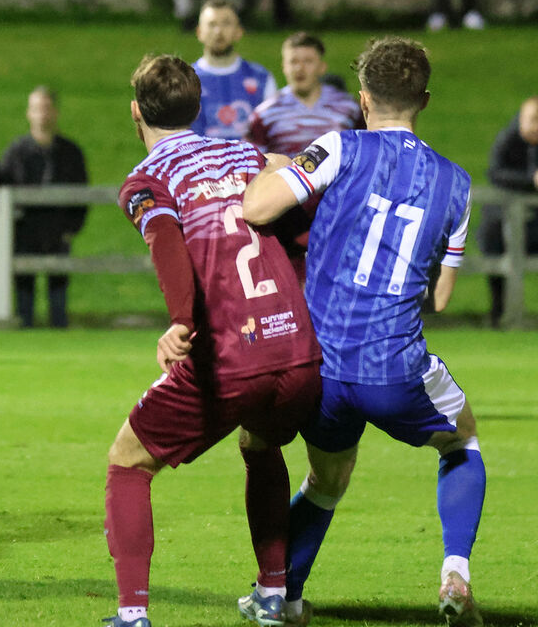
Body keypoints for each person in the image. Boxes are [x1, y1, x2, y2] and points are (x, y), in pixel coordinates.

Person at [242, 37, 485, 627]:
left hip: (322, 367)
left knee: (326, 481)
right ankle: (456, 570)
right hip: (394, 367)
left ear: (362, 98)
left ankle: (281, 597)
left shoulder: (337, 147)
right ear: (423, 99)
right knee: (461, 441)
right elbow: (444, 296)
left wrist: (283, 167)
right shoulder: (455, 183)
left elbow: (255, 209)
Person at [102, 54, 321, 627]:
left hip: (229, 354)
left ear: (135, 112)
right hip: (297, 351)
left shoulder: (146, 181)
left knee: (128, 461)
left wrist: (181, 320)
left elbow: (168, 244)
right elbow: (302, 223)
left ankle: (132, 614)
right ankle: (274, 594)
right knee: (261, 445)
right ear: (199, 107)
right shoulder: (247, 154)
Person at [0, 86, 88, 328]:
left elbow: (83, 193)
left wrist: (72, 228)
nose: (42, 115)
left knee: (58, 295)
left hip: (58, 231)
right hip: (24, 231)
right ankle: (24, 334)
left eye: (46, 109)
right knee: (24, 295)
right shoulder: (16, 151)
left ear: (55, 112)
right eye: (37, 109)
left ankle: (60, 334)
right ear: (29, 113)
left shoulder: (71, 152)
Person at [245, 32, 362, 156]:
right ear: (284, 67)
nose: (299, 68)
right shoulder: (264, 114)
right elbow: (253, 163)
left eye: (308, 61)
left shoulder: (350, 108)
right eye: (293, 62)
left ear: (322, 67)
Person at [477, 96, 538, 327]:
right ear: (521, 120)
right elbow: (495, 173)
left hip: (533, 221)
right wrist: (530, 180)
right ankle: (499, 312)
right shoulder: (508, 140)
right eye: (532, 120)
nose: (536, 126)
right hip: (501, 217)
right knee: (492, 246)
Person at [190, 0, 277, 140]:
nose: (218, 31)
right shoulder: (186, 80)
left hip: (251, 161)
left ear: (239, 31)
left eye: (226, 23)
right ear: (199, 32)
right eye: (212, 24)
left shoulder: (261, 78)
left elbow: (273, 133)